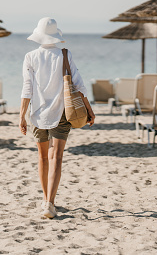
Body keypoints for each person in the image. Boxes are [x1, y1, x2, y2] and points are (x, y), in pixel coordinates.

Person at [19, 17, 95, 219]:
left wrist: (21, 116)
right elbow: (78, 84)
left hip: (36, 113)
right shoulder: (64, 54)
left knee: (43, 157)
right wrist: (89, 108)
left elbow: (27, 89)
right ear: (55, 35)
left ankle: (46, 202)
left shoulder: (30, 56)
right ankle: (50, 203)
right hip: (61, 112)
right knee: (57, 158)